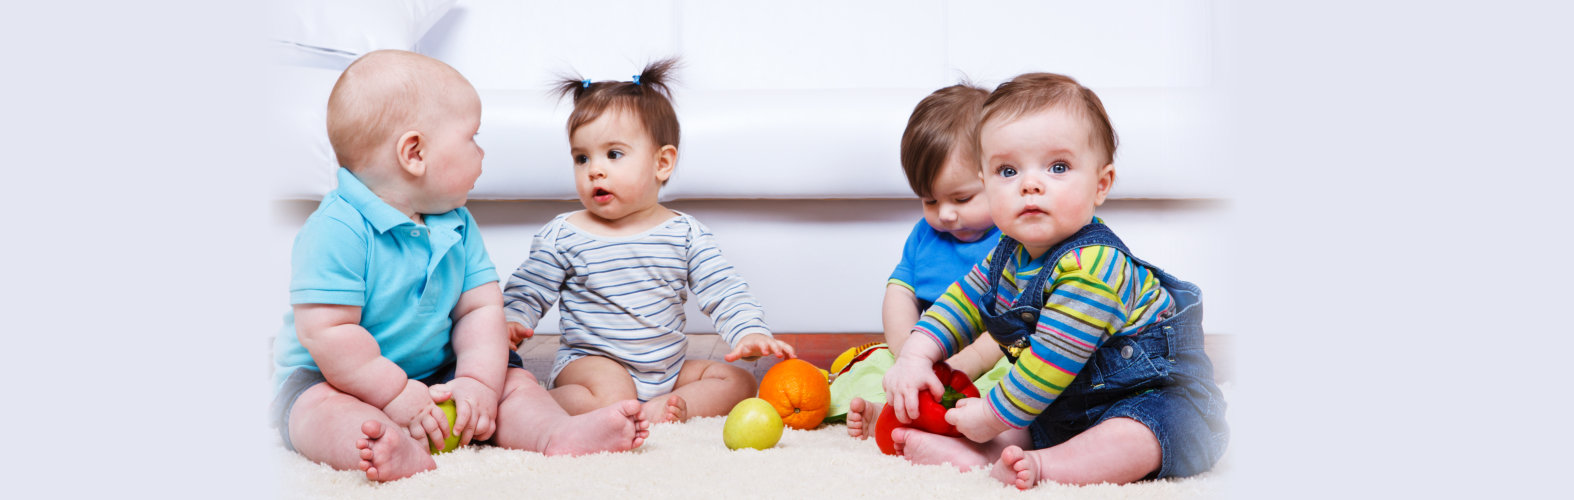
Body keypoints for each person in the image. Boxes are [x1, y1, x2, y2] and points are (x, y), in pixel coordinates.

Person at [270, 50, 648, 482]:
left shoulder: (455, 222)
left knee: (512, 384)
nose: (481, 153)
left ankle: (555, 434)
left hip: (439, 369)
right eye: (472, 138)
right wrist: (392, 393)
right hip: (335, 377)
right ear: (414, 153)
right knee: (315, 414)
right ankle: (382, 447)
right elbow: (328, 332)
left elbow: (480, 309)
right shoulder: (336, 230)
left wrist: (477, 385)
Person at [881, 73, 1228, 488]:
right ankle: (988, 455)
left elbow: (1053, 358)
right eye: (1007, 170)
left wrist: (992, 415)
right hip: (1063, 404)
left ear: (1101, 184)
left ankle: (1047, 467)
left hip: (1159, 398)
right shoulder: (1006, 253)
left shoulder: (1094, 266)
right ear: (986, 183)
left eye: (1058, 167)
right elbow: (962, 302)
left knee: (1139, 433)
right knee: (1027, 420)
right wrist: (915, 355)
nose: (1030, 184)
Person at [501, 59, 796, 425]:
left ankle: (672, 407)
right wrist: (512, 320)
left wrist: (750, 331)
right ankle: (536, 403)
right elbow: (528, 289)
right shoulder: (564, 234)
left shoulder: (685, 233)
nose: (594, 169)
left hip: (666, 369)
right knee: (612, 391)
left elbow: (724, 289)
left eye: (614, 154)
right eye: (581, 158)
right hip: (592, 368)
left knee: (737, 380)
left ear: (663, 163)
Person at [837, 83, 1013, 438]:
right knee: (870, 369)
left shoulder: (1015, 239)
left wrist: (966, 363)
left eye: (962, 199)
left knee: (1014, 384)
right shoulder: (924, 236)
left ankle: (958, 425)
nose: (945, 214)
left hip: (991, 353)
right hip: (925, 347)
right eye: (930, 201)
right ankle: (885, 413)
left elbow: (1011, 324)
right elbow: (900, 292)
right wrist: (907, 352)